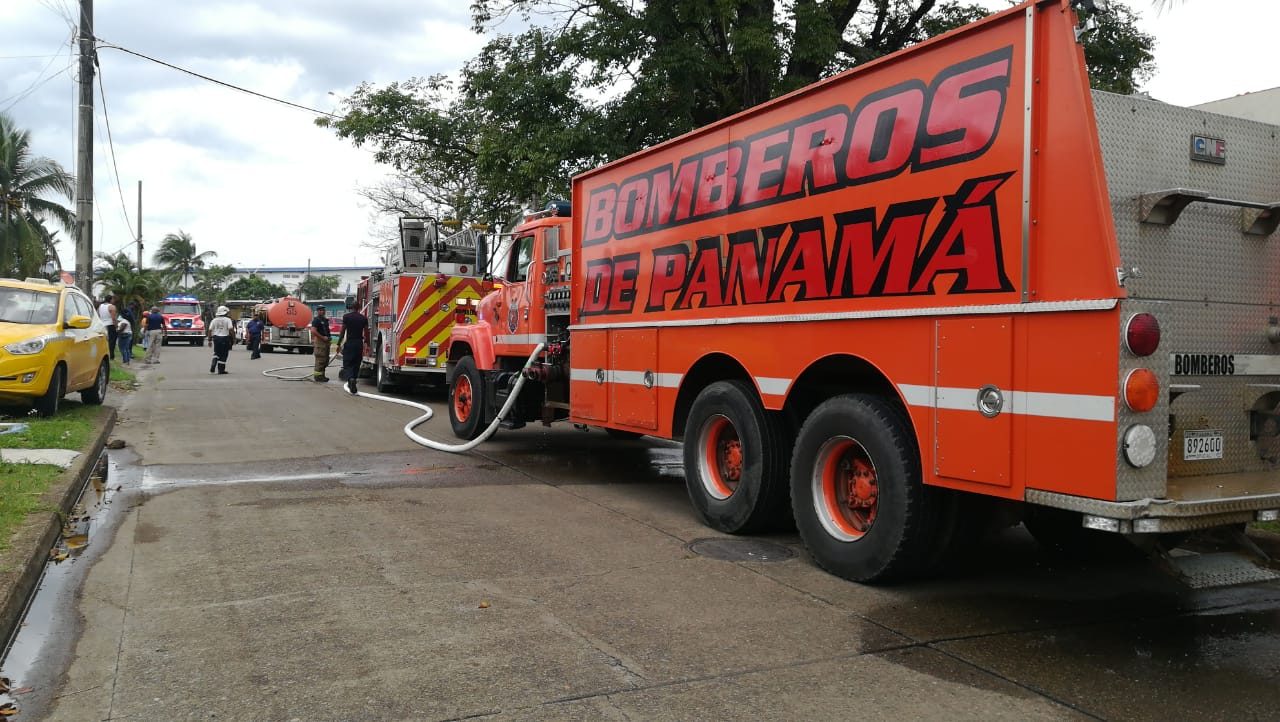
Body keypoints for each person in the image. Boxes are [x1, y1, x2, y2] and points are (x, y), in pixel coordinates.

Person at [337, 298, 368, 395]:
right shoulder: (363, 318)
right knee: (356, 363)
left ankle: (350, 379)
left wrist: (338, 343)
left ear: (351, 308)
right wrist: (368, 344)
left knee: (348, 363)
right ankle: (354, 378)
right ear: (359, 308)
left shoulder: (346, 317)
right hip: (359, 343)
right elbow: (367, 332)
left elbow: (343, 331)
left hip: (350, 343)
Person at [207, 305, 235, 374]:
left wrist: (209, 340)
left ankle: (214, 362)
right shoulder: (228, 320)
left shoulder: (214, 320)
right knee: (224, 354)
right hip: (224, 338)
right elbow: (231, 329)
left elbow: (210, 330)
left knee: (216, 352)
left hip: (216, 338)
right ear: (225, 312)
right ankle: (221, 370)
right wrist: (233, 338)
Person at [310, 306, 332, 382]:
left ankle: (322, 375)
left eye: (323, 310)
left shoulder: (325, 320)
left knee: (325, 360)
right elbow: (313, 330)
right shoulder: (316, 320)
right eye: (320, 310)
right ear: (317, 311)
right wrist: (322, 337)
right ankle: (318, 377)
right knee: (320, 359)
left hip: (326, 342)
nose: (322, 311)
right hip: (320, 342)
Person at [97, 295, 118, 360]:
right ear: (111, 299)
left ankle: (102, 355)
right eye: (113, 299)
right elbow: (113, 318)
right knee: (111, 342)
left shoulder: (100, 306)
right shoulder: (112, 307)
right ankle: (111, 356)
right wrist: (116, 326)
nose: (113, 301)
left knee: (103, 341)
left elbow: (98, 315)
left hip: (102, 325)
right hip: (110, 325)